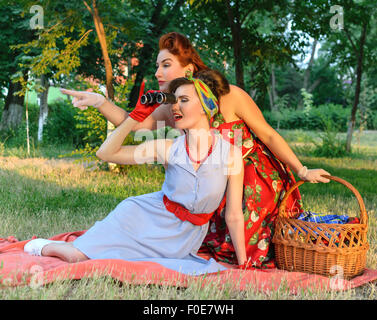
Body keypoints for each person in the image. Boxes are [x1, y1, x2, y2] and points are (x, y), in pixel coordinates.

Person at [59, 32, 331, 268]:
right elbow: (134, 124)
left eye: (166, 65)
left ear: (188, 70)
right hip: (210, 188)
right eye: (157, 66)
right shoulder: (173, 108)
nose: (158, 73)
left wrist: (301, 169)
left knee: (255, 251)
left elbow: (268, 134)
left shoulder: (230, 95)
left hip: (253, 181)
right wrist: (99, 101)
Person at [24, 71, 248, 275]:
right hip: (142, 217)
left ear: (206, 106)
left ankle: (77, 245)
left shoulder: (231, 155)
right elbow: (106, 154)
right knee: (77, 258)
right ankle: (45, 246)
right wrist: (135, 117)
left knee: (141, 268)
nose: (175, 107)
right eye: (174, 101)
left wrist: (243, 263)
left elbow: (234, 215)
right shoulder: (168, 148)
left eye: (184, 100)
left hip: (181, 238)